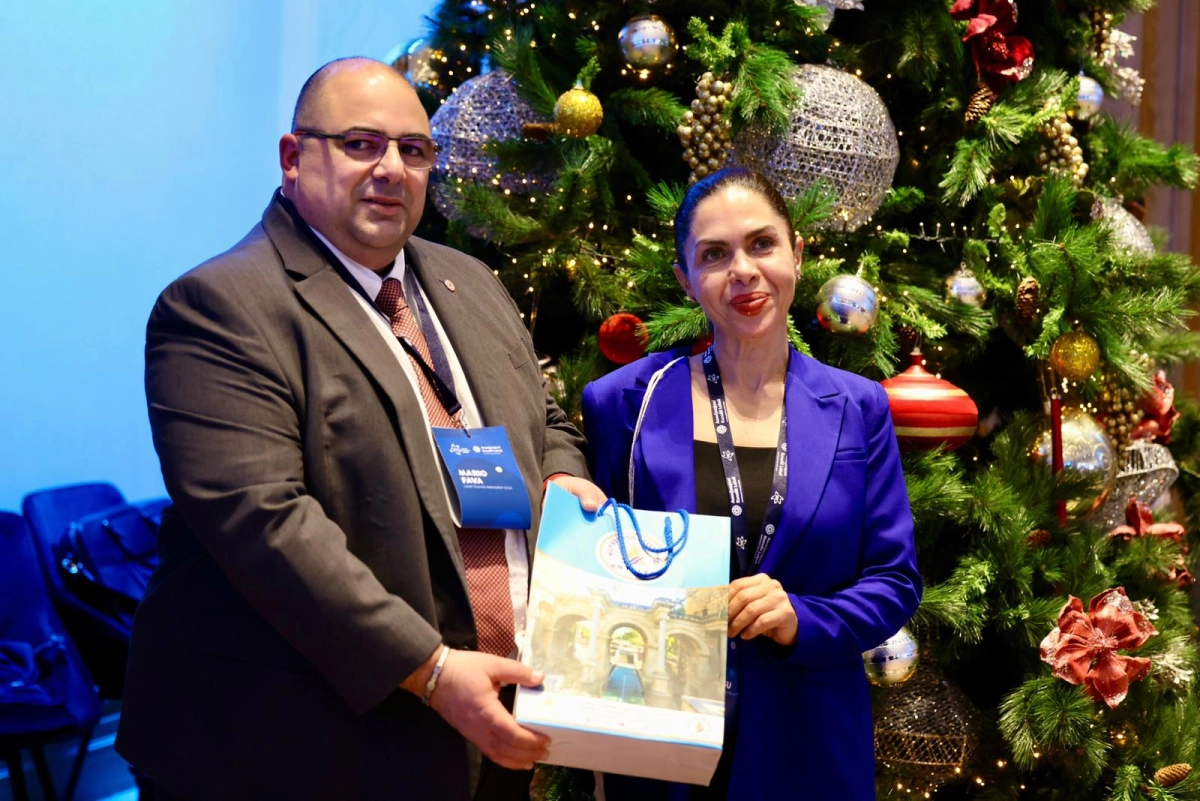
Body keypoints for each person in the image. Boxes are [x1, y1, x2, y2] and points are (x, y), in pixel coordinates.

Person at [116, 57, 605, 801]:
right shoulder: (219, 306)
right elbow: (265, 525)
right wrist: (432, 670)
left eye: (413, 150)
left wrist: (563, 470)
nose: (391, 169)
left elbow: (545, 414)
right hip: (301, 750)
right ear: (293, 157)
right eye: (360, 144)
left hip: (490, 729)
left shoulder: (469, 280)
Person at [581, 167, 922, 800]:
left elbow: (894, 580)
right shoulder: (623, 403)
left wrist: (801, 617)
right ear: (686, 280)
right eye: (714, 255)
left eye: (762, 244)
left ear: (797, 254)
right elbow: (595, 572)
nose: (742, 270)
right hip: (659, 750)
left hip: (808, 748)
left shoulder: (859, 407)